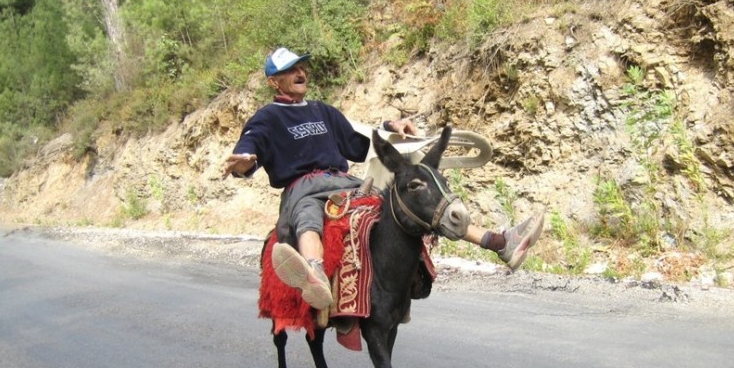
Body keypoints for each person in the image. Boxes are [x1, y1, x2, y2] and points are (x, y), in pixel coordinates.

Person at [224, 47, 544, 310]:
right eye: (290, 70)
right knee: (307, 218)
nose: (300, 73)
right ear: (273, 82)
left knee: (407, 205)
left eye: (302, 67)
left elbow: (360, 138)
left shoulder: (324, 111)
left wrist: (391, 126)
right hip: (302, 187)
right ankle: (316, 277)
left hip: (344, 182)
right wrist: (243, 162)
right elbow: (247, 151)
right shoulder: (267, 118)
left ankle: (500, 243)